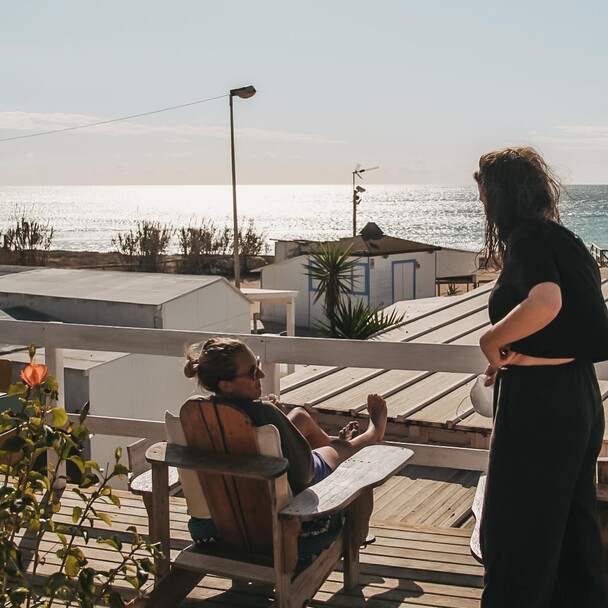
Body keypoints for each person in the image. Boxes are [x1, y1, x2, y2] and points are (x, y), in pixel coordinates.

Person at [474, 147, 608, 607]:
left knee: (518, 528)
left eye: (482, 185)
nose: (479, 195)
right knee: (572, 523)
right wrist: (513, 351)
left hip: (541, 402)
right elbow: (566, 320)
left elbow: (546, 302)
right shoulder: (564, 239)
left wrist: (491, 343)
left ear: (499, 193)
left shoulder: (526, 240)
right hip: (580, 397)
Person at [183, 337, 388, 495]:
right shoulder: (264, 412)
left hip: (242, 478)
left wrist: (278, 419)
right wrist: (277, 416)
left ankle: (331, 442)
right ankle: (372, 434)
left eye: (258, 366)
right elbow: (304, 471)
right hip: (288, 481)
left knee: (299, 415)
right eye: (252, 372)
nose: (261, 376)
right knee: (338, 449)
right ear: (226, 385)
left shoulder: (199, 412)